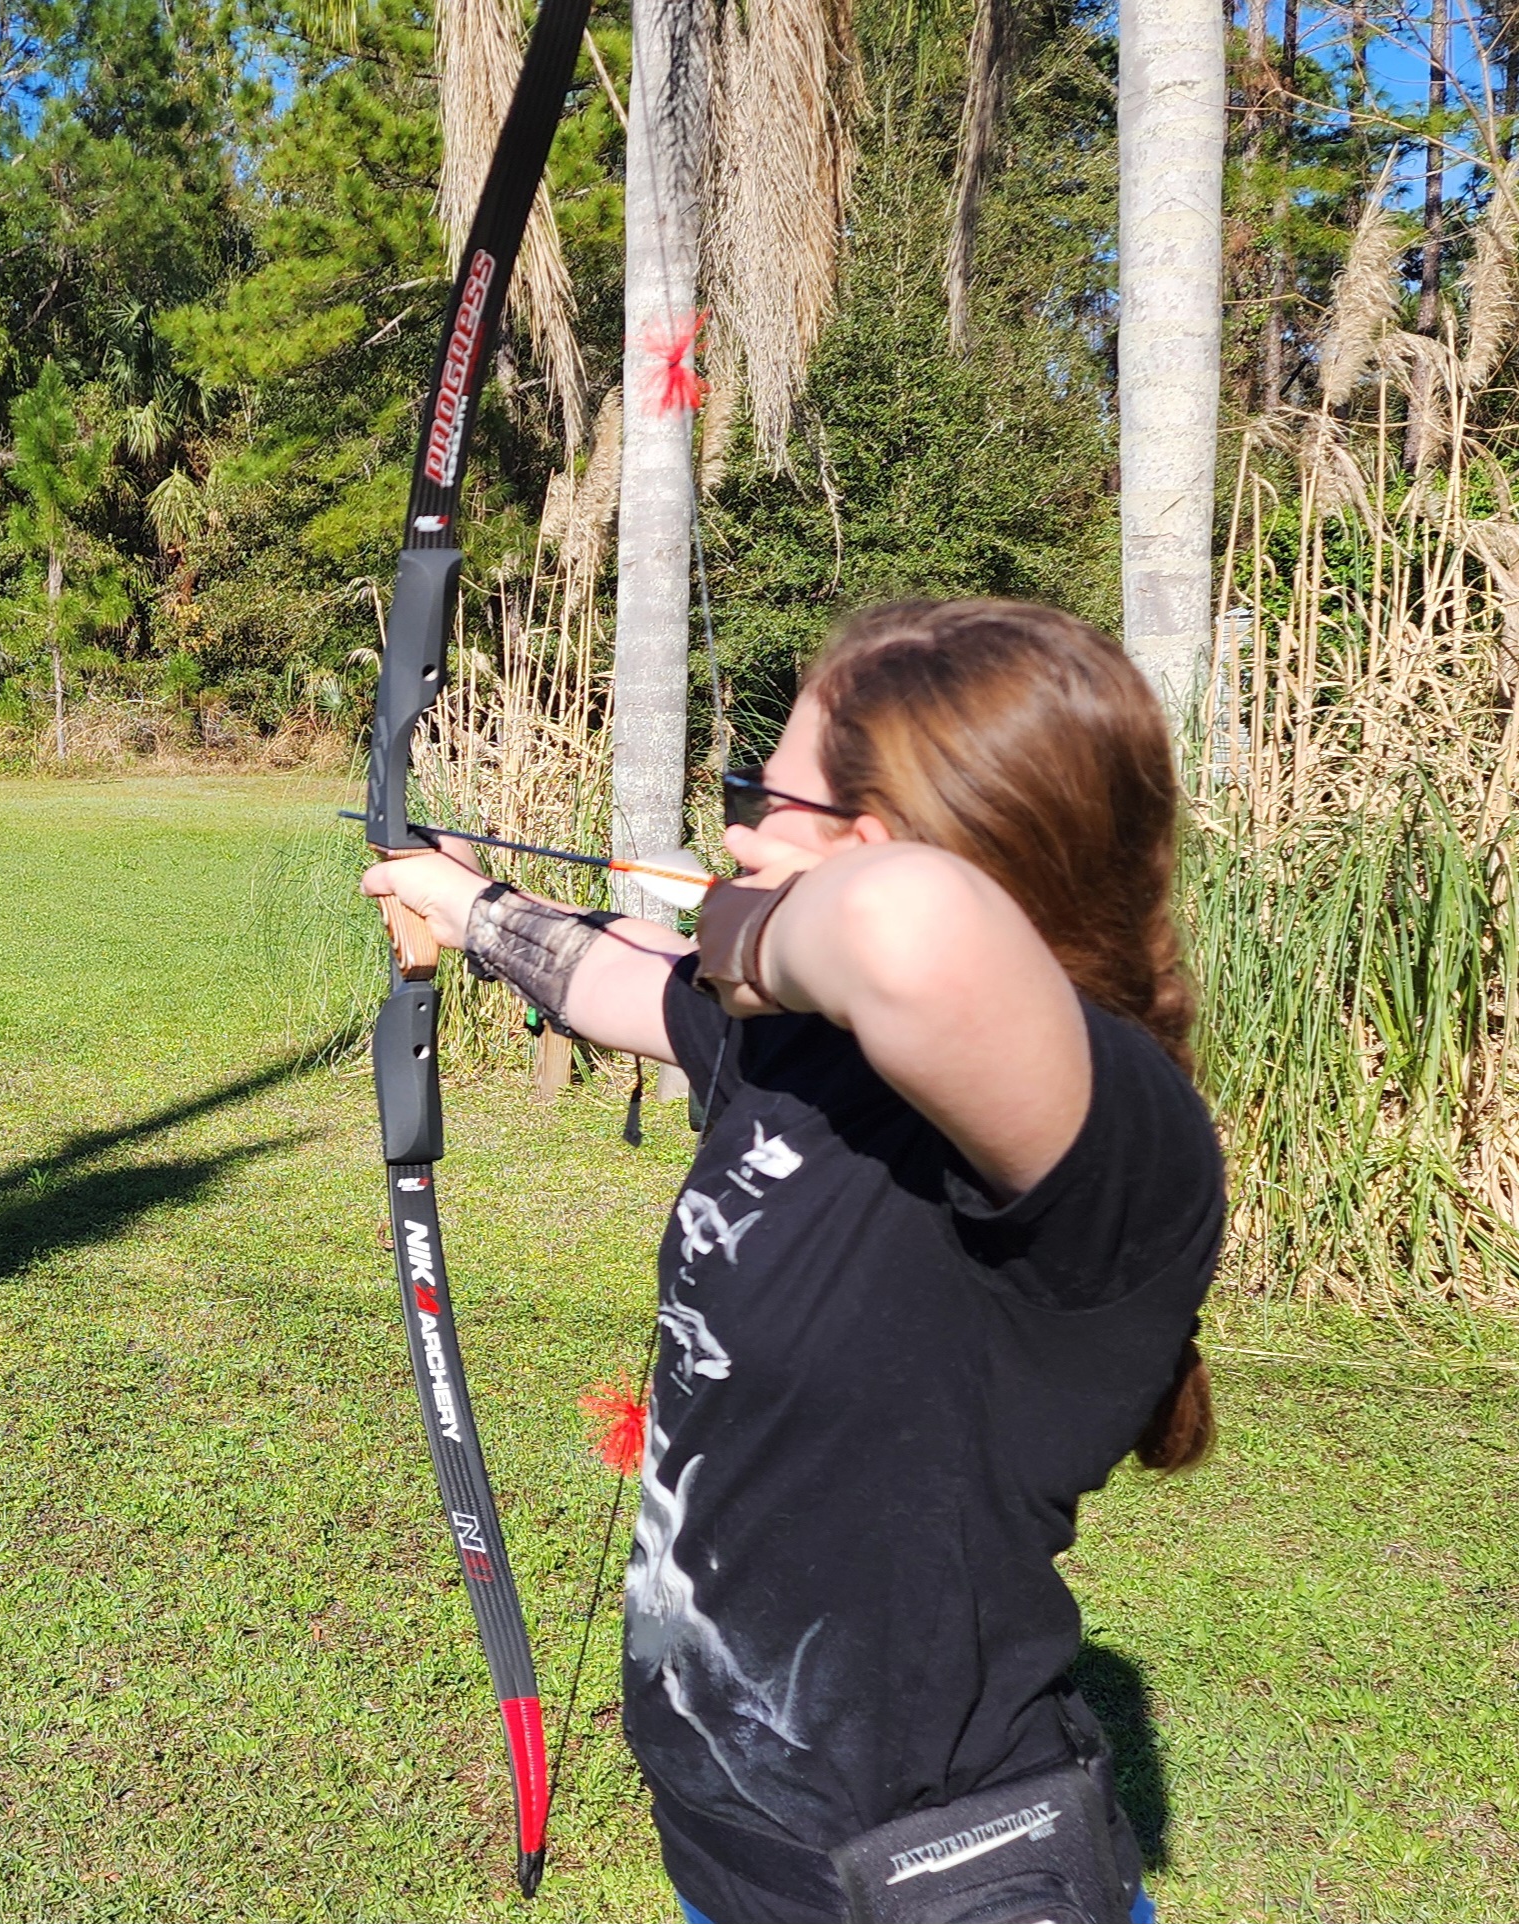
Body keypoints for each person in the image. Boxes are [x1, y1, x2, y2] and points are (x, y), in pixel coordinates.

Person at [361, 599, 1219, 1924]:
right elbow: (617, 981)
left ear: (881, 845)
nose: (738, 831)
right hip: (741, 1850)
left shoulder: (1104, 1131)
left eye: (767, 795)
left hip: (929, 1876)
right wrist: (468, 907)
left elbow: (911, 934)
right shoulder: (808, 1053)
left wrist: (746, 937)